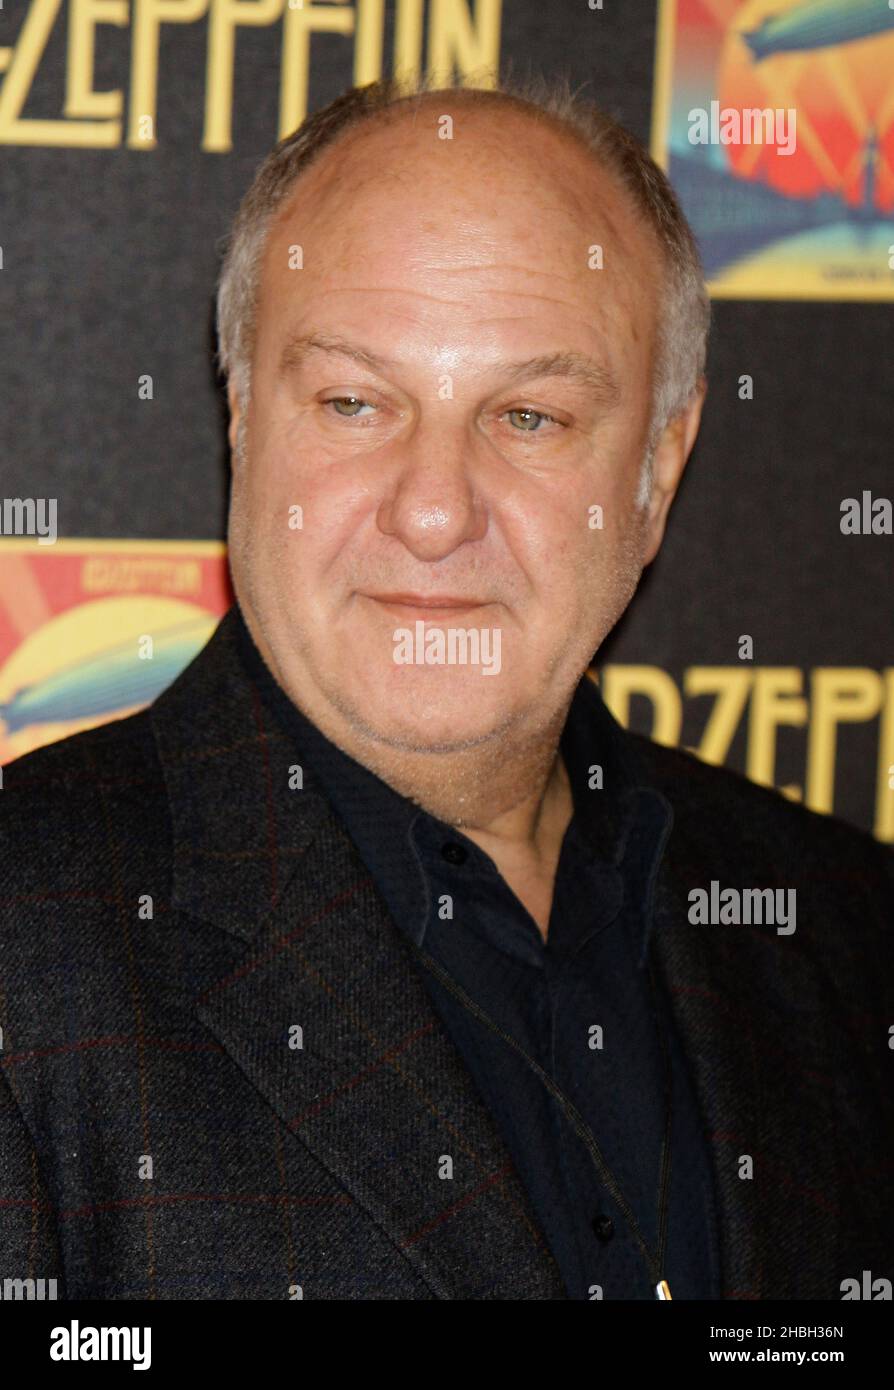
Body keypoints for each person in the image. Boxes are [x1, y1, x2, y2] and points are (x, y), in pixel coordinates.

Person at [1, 74, 891, 1302]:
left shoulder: (844, 925)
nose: (432, 511)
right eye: (355, 401)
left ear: (658, 467)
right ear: (244, 417)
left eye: (528, 416)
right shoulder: (26, 943)